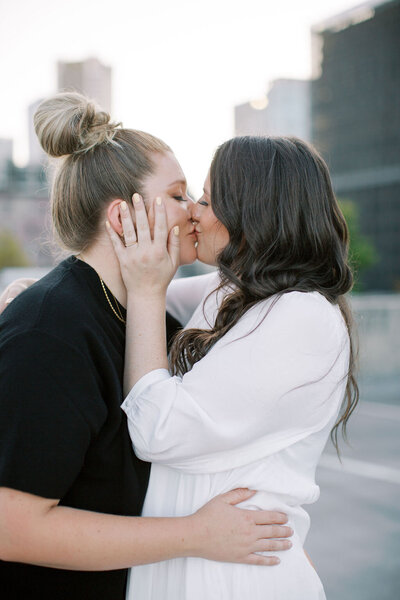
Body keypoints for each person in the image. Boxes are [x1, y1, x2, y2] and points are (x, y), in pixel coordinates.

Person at [0, 95, 293, 600]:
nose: (197, 212)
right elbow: (11, 526)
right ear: (123, 218)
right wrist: (196, 536)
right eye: (179, 196)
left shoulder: (157, 317)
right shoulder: (49, 335)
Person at [106, 135, 359, 600]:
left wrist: (145, 293)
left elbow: (158, 431)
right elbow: (109, 291)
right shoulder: (233, 294)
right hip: (197, 570)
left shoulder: (301, 317)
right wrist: (40, 292)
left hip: (238, 579)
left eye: (206, 198)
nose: (194, 213)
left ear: (253, 210)